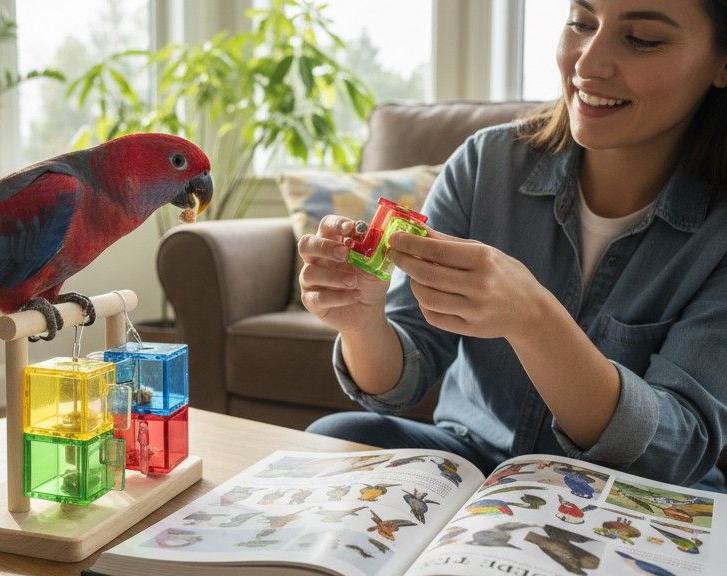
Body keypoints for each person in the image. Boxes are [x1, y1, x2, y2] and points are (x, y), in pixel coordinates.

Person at [298, 0, 727, 491]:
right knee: (338, 437)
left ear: (721, 61)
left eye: (642, 39)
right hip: (476, 457)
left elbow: (675, 449)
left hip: (632, 490)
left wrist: (534, 319)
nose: (587, 63)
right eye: (581, 24)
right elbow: (398, 383)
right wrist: (362, 322)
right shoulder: (486, 163)